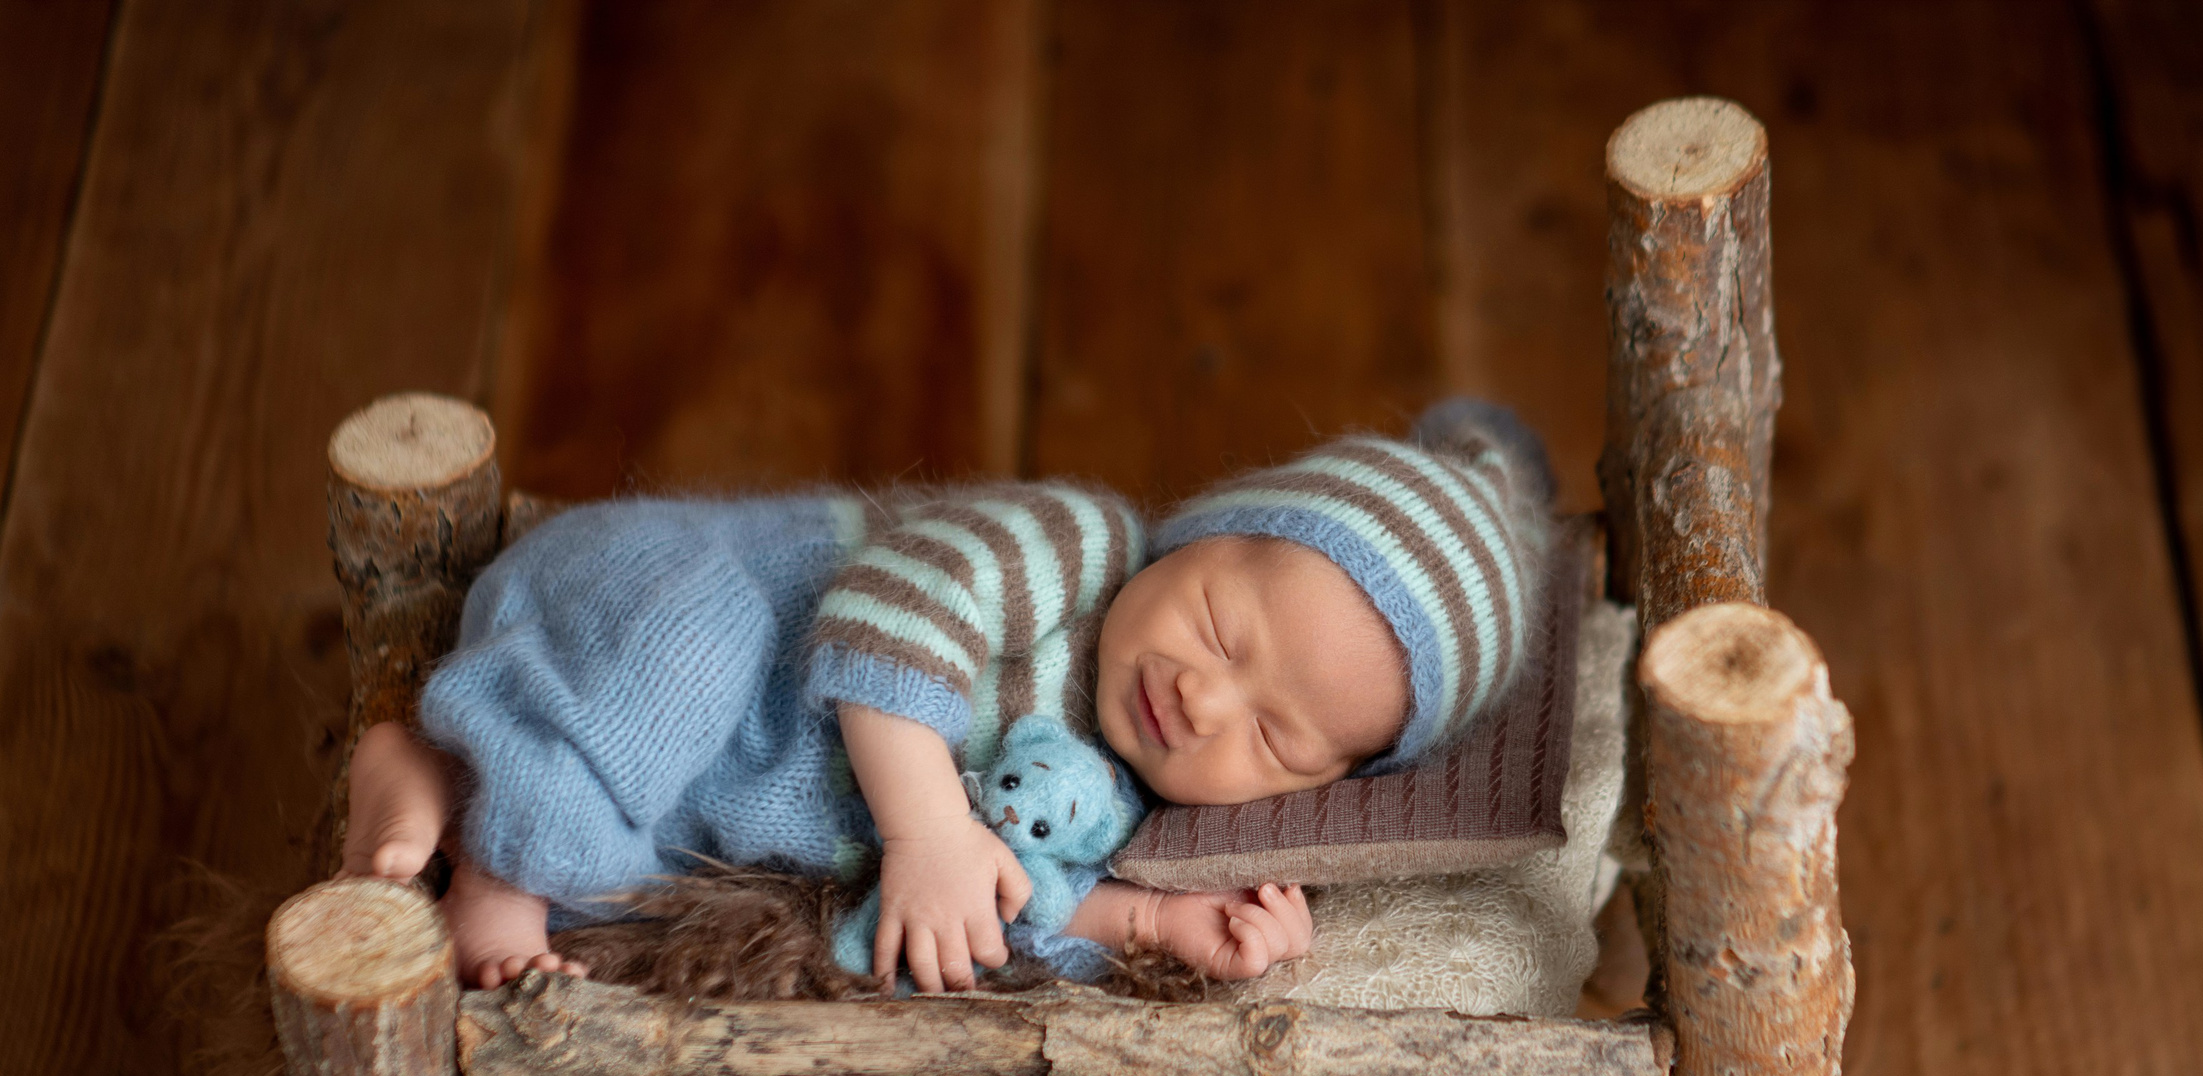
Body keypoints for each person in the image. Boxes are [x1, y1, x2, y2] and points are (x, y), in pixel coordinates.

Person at [341, 400, 1553, 992]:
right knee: (669, 675)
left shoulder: (1133, 794)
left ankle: (440, 769)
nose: (1201, 698)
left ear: (1317, 785)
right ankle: (499, 880)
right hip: (666, 602)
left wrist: (1171, 926)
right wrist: (926, 830)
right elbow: (895, 612)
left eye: (1275, 734)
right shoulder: (1076, 545)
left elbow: (1023, 895)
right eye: (1223, 627)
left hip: (713, 783)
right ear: (1199, 538)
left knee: (643, 870)